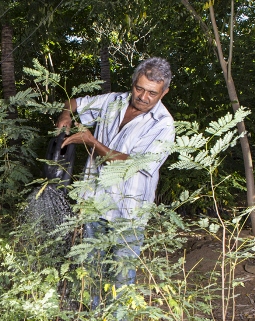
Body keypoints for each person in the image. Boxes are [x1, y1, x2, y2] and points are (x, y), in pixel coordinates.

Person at [55, 57, 175, 298]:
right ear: (132, 84)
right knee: (88, 270)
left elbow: (132, 164)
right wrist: (65, 116)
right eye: (139, 88)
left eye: (152, 93)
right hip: (94, 204)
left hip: (128, 213)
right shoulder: (112, 102)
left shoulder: (163, 125)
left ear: (164, 92)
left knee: (121, 277)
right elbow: (74, 102)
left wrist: (91, 142)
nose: (143, 96)